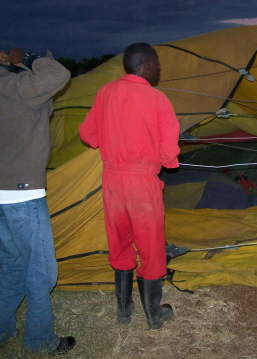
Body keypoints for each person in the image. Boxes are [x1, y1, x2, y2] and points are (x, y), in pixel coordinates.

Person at [79, 43, 181, 330]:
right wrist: (164, 158)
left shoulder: (105, 93)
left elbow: (88, 134)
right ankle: (153, 314)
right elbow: (169, 154)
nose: (159, 68)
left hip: (112, 181)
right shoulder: (157, 99)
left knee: (120, 242)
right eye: (157, 63)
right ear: (146, 64)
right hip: (142, 183)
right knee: (150, 247)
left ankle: (124, 311)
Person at [0, 49, 75, 354]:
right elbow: (58, 74)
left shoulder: (14, 89)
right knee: (41, 270)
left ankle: (3, 329)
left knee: (12, 266)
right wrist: (29, 58)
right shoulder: (12, 87)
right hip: (22, 195)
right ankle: (40, 339)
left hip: (4, 195)